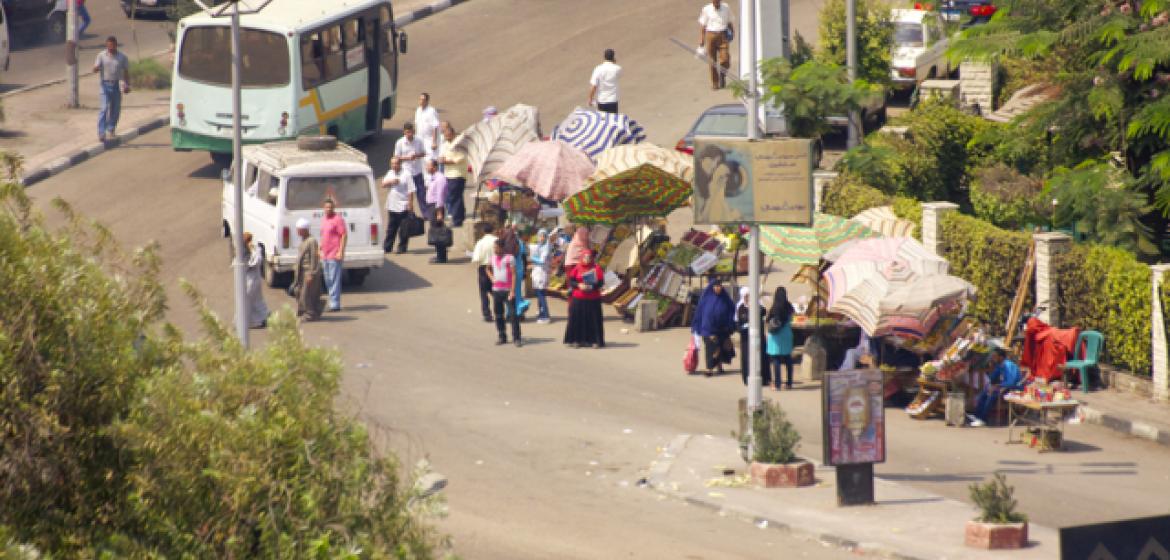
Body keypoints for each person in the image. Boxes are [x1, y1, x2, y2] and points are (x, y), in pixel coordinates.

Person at [969, 348, 1026, 427]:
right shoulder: (1000, 365)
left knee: (992, 395)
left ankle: (983, 419)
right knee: (985, 392)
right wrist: (992, 369)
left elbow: (1011, 382)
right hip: (1004, 387)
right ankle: (977, 416)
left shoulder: (1008, 365)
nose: (993, 358)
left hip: (1014, 388)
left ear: (1001, 357)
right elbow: (992, 378)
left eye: (995, 356)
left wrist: (997, 386)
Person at [691, 279, 736, 376]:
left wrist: (730, 324)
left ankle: (719, 366)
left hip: (722, 328)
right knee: (711, 348)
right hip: (708, 329)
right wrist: (697, 327)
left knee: (721, 347)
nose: (718, 288)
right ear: (712, 287)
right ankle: (709, 369)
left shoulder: (725, 298)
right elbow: (700, 313)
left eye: (719, 286)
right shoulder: (706, 299)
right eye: (716, 286)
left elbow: (732, 310)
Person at [563, 249, 606, 348]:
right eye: (585, 257)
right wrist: (579, 285)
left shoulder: (596, 268)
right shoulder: (577, 268)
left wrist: (591, 287)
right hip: (579, 298)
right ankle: (576, 340)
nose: (587, 259)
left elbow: (600, 283)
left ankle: (594, 341)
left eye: (589, 257)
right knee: (577, 320)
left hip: (593, 298)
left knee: (593, 321)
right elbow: (572, 282)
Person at [93, 36, 130, 142]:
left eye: (112, 46)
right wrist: (96, 68)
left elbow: (126, 71)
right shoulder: (101, 55)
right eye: (108, 46)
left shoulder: (122, 57)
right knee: (104, 108)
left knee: (116, 108)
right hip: (105, 84)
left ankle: (111, 127)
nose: (110, 48)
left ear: (115, 45)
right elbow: (95, 67)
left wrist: (127, 84)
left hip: (116, 84)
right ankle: (101, 132)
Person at [487, 239, 522, 347]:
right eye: (494, 248)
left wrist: (512, 290)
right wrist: (492, 278)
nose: (494, 249)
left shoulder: (509, 258)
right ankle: (502, 336)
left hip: (507, 291)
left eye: (496, 247)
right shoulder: (492, 258)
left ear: (502, 248)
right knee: (498, 315)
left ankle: (517, 338)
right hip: (496, 290)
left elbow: (514, 274)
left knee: (513, 315)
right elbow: (487, 269)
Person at [380, 157, 418, 254]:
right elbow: (383, 184)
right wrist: (391, 182)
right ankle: (387, 247)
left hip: (403, 205)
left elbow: (411, 190)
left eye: (396, 164)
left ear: (400, 164)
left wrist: (410, 204)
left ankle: (402, 247)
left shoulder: (406, 174)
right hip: (392, 205)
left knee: (403, 228)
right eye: (392, 164)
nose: (394, 166)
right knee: (391, 228)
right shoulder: (390, 173)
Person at [437, 121, 469, 226]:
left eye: (449, 136)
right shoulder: (445, 144)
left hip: (458, 174)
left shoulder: (460, 144)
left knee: (453, 197)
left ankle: (457, 220)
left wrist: (446, 161)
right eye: (445, 136)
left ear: (453, 134)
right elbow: (441, 156)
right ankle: (460, 217)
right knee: (456, 196)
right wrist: (442, 160)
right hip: (448, 174)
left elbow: (458, 159)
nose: (447, 137)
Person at [736, 287, 770, 387]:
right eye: (746, 296)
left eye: (749, 296)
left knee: (761, 357)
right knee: (748, 358)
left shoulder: (758, 306)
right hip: (746, 339)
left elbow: (764, 312)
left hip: (758, 337)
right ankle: (747, 378)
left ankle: (764, 379)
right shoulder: (741, 308)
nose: (747, 298)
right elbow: (738, 323)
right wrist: (744, 327)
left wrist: (755, 306)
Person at [292, 218, 324, 322]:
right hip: (302, 272)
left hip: (308, 272)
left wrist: (311, 273)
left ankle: (310, 314)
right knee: (300, 292)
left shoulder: (312, 241)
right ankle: (305, 311)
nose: (297, 231)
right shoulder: (304, 240)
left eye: (299, 229)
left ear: (305, 229)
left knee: (307, 294)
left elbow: (314, 258)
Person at [698, 0, 734, 89]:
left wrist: (732, 32)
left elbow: (729, 22)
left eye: (717, 1)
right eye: (714, 1)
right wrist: (702, 39)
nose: (716, 3)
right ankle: (715, 82)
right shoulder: (706, 9)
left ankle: (722, 74)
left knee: (725, 59)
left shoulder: (726, 7)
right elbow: (703, 25)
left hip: (723, 35)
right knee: (712, 60)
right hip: (711, 35)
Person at [766, 287, 797, 390]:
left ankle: (777, 384)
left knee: (776, 359)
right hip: (787, 334)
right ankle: (789, 383)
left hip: (776, 336)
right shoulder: (789, 306)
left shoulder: (775, 307)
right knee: (788, 359)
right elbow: (792, 317)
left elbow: (768, 320)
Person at [319, 198, 346, 312]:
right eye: (326, 207)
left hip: (334, 254)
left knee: (334, 279)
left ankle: (335, 304)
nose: (328, 209)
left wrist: (341, 251)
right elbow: (323, 235)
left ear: (334, 208)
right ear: (324, 208)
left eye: (330, 207)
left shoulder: (338, 219)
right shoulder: (324, 219)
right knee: (327, 279)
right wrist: (320, 248)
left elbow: (344, 235)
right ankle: (332, 300)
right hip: (325, 254)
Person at [472, 223, 499, 323]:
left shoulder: (480, 242)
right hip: (496, 268)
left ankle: (487, 314)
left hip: (483, 269)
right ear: (493, 230)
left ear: (483, 232)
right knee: (496, 291)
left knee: (483, 292)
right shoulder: (496, 241)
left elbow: (476, 258)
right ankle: (499, 311)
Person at [243, 232, 269, 329]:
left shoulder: (254, 249)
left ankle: (254, 321)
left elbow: (256, 261)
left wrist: (247, 263)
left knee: (248, 300)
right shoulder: (245, 249)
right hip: (250, 278)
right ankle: (263, 316)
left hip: (252, 279)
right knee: (255, 300)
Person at [394, 121, 427, 190]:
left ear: (414, 131)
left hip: (418, 171)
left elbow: (424, 153)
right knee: (407, 194)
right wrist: (408, 158)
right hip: (406, 171)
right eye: (407, 132)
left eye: (410, 132)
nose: (409, 134)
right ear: (404, 132)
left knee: (421, 193)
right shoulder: (400, 142)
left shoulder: (419, 140)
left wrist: (416, 155)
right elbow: (396, 157)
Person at [529, 228, 553, 323]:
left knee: (541, 294)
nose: (541, 238)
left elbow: (542, 261)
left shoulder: (546, 247)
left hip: (541, 273)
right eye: (540, 235)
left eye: (543, 236)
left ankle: (546, 316)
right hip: (538, 272)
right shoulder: (540, 246)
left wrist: (532, 258)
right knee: (539, 294)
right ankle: (541, 312)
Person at [588, 48, 622, 114]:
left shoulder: (598, 69)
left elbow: (594, 86)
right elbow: (619, 75)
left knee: (603, 122)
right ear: (613, 57)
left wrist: (590, 98)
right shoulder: (617, 68)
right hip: (613, 100)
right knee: (612, 121)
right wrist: (614, 63)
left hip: (602, 100)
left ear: (604, 57)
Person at [414, 93, 441, 161]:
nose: (421, 101)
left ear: (427, 101)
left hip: (429, 139)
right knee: (421, 158)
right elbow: (416, 124)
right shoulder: (418, 110)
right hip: (420, 138)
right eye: (420, 99)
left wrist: (434, 142)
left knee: (430, 158)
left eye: (423, 100)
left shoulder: (431, 111)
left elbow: (435, 126)